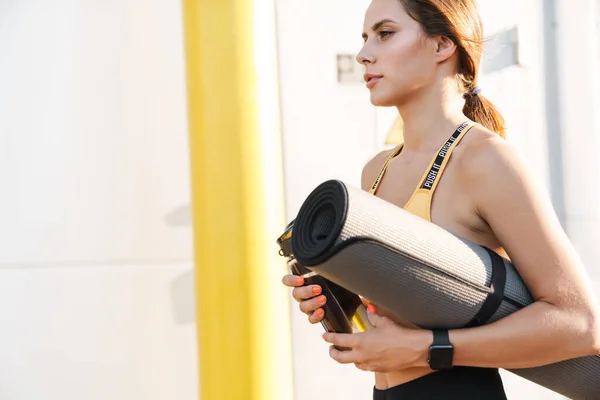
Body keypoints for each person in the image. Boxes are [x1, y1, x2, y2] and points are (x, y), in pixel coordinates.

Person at [281, 0, 600, 399]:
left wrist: (427, 349)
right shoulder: (376, 170)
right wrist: (341, 302)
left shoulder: (485, 160)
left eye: (385, 34)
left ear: (441, 46)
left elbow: (581, 325)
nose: (364, 54)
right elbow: (401, 315)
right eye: (364, 39)